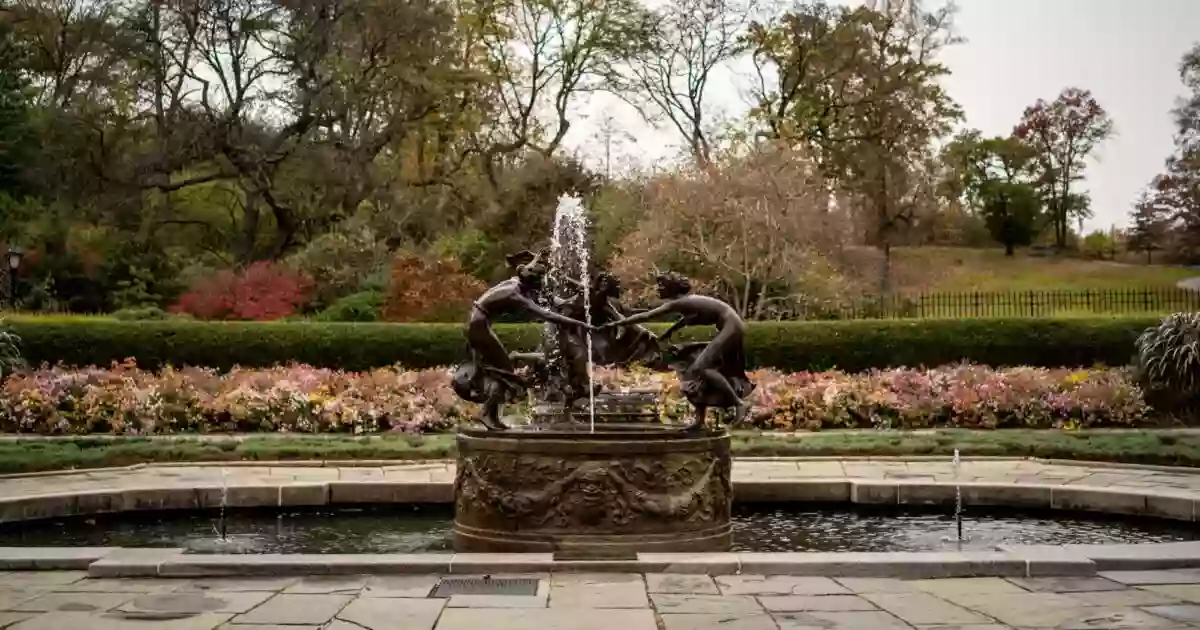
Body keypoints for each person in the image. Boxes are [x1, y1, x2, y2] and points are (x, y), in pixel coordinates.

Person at [455, 249, 594, 430]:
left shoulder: (515, 281)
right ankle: (486, 413)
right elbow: (547, 314)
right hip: (479, 326)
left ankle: (490, 412)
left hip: (476, 322)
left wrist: (538, 257)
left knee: (502, 371)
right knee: (506, 373)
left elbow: (528, 267)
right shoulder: (516, 294)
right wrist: (581, 324)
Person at [600, 272, 753, 430]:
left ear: (671, 288)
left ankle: (739, 404)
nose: (658, 289)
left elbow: (647, 316)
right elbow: (688, 319)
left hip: (731, 327)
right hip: (731, 325)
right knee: (693, 370)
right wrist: (669, 333)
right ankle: (700, 421)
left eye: (662, 285)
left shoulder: (678, 303)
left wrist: (618, 323)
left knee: (701, 367)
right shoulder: (687, 302)